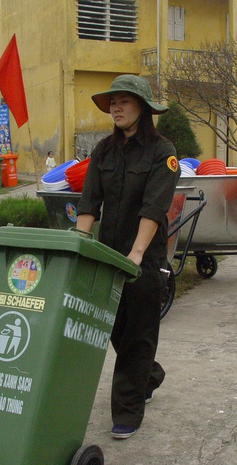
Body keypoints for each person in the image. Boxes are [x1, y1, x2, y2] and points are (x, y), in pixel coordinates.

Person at [76, 74, 181, 440]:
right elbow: (89, 203)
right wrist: (79, 244)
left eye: (125, 101)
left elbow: (154, 208)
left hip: (144, 258)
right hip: (108, 254)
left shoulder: (162, 152)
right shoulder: (103, 151)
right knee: (114, 329)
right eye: (113, 102)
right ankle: (149, 375)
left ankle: (127, 412)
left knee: (136, 335)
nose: (117, 108)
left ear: (143, 108)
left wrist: (136, 255)